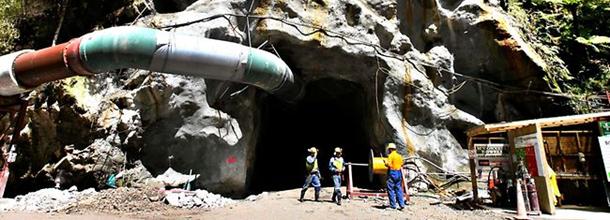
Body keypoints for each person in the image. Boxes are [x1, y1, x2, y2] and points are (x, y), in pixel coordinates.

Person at [384, 143, 405, 210]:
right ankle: (402, 205)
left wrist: (385, 163)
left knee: (390, 189)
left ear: (390, 149)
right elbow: (402, 164)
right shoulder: (399, 156)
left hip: (393, 173)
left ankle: (393, 206)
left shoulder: (390, 156)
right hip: (399, 173)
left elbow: (389, 165)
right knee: (399, 189)